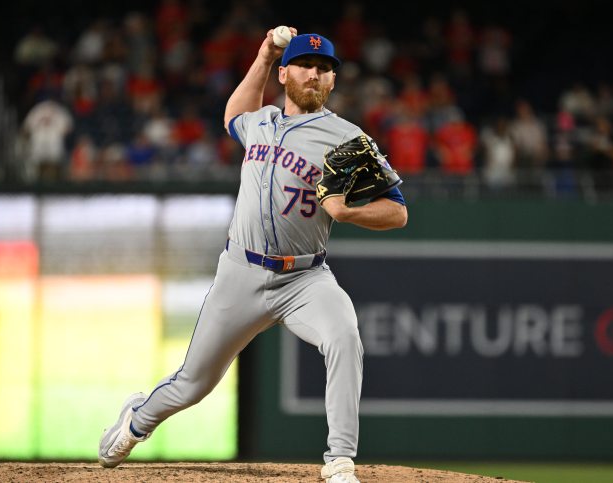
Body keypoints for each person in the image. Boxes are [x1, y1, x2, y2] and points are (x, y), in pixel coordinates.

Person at [97, 27, 408, 483]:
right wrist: (263, 55)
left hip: (304, 279)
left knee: (344, 336)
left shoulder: (346, 137)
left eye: (325, 70)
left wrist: (348, 210)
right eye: (306, 66)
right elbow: (232, 116)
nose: (316, 75)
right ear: (285, 74)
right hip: (241, 272)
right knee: (193, 384)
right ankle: (138, 420)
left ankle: (340, 461)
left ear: (333, 82)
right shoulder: (260, 121)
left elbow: (397, 212)